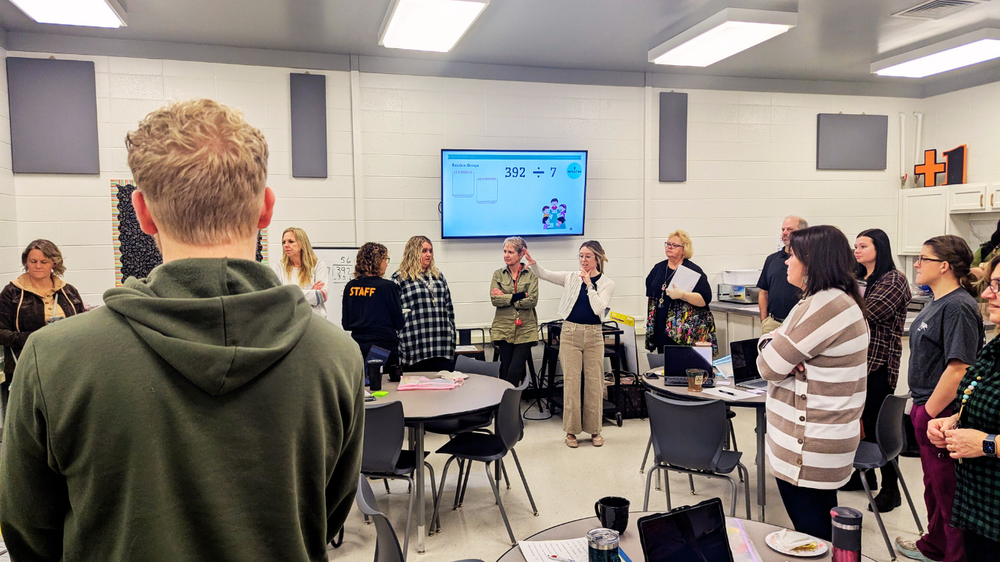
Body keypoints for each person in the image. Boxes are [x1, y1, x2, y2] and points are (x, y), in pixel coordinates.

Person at [0, 99, 364, 562]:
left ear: (142, 213)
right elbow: (327, 515)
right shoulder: (337, 356)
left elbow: (28, 532)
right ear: (266, 209)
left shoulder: (51, 358)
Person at [756, 225, 868, 542]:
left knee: (814, 535)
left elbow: (769, 365)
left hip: (809, 446)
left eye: (793, 256)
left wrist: (769, 340)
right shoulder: (836, 300)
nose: (786, 262)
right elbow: (780, 358)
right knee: (820, 526)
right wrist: (778, 342)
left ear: (813, 262)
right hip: (821, 442)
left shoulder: (822, 306)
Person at [895, 235, 983, 562]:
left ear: (944, 265)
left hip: (941, 412)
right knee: (933, 486)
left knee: (949, 493)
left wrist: (928, 412)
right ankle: (935, 545)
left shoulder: (958, 306)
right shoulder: (937, 300)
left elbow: (959, 368)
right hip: (926, 407)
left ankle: (954, 556)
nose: (916, 264)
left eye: (923, 258)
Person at [927, 253, 1000, 560]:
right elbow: (982, 397)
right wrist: (955, 419)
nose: (986, 293)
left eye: (997, 285)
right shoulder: (996, 346)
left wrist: (987, 444)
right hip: (981, 509)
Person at [841, 228, 911, 511]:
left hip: (880, 364)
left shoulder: (894, 279)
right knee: (859, 423)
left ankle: (890, 489)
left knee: (878, 427)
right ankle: (864, 477)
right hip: (858, 364)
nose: (857, 251)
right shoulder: (859, 278)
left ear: (879, 249)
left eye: (863, 246)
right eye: (855, 246)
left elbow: (868, 312)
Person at [526, 241, 615, 448]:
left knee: (594, 383)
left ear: (597, 259)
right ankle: (571, 432)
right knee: (572, 382)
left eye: (588, 256)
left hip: (594, 335)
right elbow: (545, 274)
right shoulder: (571, 277)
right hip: (570, 333)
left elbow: (598, 308)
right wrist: (533, 264)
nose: (583, 260)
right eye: (581, 256)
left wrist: (589, 286)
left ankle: (595, 430)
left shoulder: (607, 283)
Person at [0, 239, 85, 409]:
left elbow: (83, 326)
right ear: (26, 263)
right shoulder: (12, 293)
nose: (38, 266)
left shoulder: (68, 291)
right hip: (27, 364)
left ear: (54, 263)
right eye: (33, 261)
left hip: (65, 364)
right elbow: (1, 332)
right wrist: (36, 337)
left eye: (43, 262)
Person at [644, 230, 717, 355]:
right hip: (660, 327)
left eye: (674, 245)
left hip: (684, 333)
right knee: (663, 367)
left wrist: (683, 295)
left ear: (684, 250)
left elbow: (705, 299)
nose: (669, 247)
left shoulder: (693, 271)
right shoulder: (658, 268)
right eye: (668, 244)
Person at [392, 235, 456, 372]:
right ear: (413, 252)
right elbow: (393, 314)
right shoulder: (400, 279)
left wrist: (452, 335)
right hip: (415, 346)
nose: (428, 255)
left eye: (430, 251)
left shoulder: (438, 277)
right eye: (424, 251)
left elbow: (449, 308)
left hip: (441, 346)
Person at [342, 242, 404, 369]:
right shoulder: (387, 287)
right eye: (385, 259)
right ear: (376, 261)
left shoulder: (350, 286)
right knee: (385, 386)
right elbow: (399, 323)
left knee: (363, 386)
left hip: (357, 348)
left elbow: (346, 324)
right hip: (383, 347)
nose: (387, 264)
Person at [489, 237, 539, 386]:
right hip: (503, 328)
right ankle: (507, 408)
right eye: (505, 251)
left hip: (526, 330)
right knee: (505, 369)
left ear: (520, 254)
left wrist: (506, 297)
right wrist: (520, 295)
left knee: (514, 371)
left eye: (510, 252)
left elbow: (532, 301)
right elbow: (494, 300)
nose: (506, 255)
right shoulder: (498, 274)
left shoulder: (531, 274)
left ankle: (509, 406)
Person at [758, 216, 808, 334]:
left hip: (799, 323)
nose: (785, 233)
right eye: (783, 229)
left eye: (790, 230)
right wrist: (764, 319)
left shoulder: (808, 260)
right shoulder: (772, 259)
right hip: (773, 323)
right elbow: (763, 291)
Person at [273, 226, 329, 317]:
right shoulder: (278, 267)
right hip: (290, 322)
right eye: (284, 242)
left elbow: (321, 296)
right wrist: (311, 292)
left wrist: (289, 294)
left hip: (315, 321)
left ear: (302, 243)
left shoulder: (318, 265)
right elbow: (278, 298)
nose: (286, 245)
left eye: (291, 241)